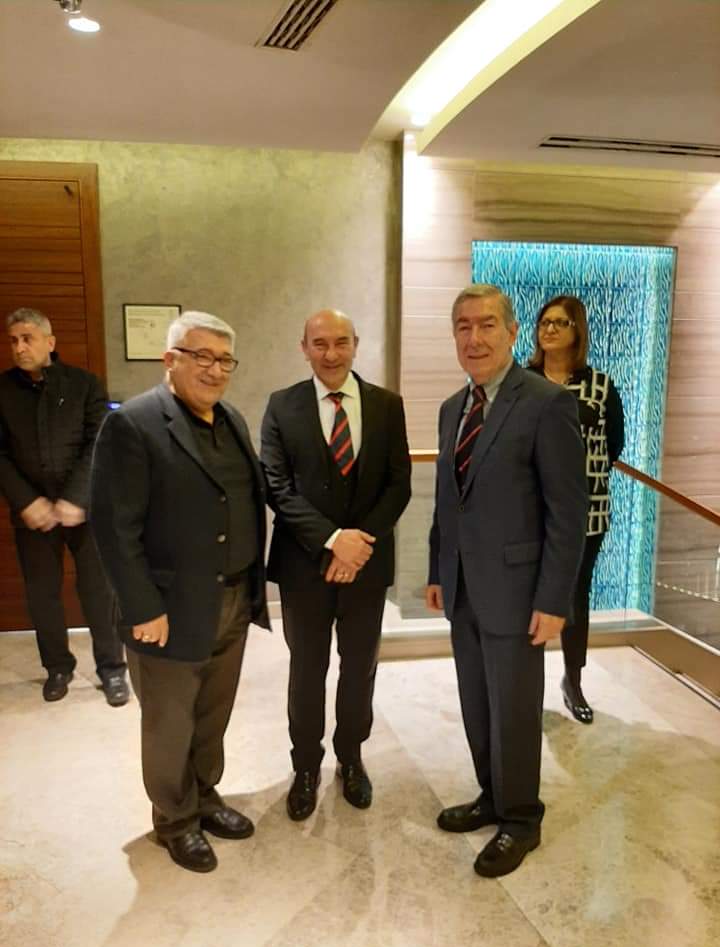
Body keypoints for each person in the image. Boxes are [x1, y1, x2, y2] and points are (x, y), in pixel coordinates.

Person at [90, 311, 269, 873]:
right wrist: (143, 607)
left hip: (232, 598)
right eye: (202, 357)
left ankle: (205, 797)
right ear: (170, 359)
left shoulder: (232, 419)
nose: (215, 370)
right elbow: (114, 528)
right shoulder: (134, 424)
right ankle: (174, 819)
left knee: (212, 714)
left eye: (225, 360)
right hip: (166, 609)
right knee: (170, 724)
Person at [426, 284, 587, 878]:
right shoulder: (453, 408)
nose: (475, 337)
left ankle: (521, 818)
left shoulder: (546, 403)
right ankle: (492, 795)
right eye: (463, 326)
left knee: (515, 709)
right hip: (463, 586)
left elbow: (567, 513)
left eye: (487, 324)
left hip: (519, 593)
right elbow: (448, 501)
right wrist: (437, 569)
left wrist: (554, 599)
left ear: (513, 332)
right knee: (476, 701)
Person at [261, 309, 411, 821]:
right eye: (320, 343)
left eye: (341, 342)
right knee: (307, 669)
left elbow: (398, 483)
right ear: (304, 347)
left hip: (367, 564)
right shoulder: (282, 406)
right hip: (304, 566)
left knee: (359, 667)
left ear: (356, 344)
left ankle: (351, 756)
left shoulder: (387, 405)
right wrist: (331, 542)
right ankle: (305, 766)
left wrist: (357, 545)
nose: (331, 353)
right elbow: (276, 486)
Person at [0, 308, 128, 706]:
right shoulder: (2, 390)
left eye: (28, 338)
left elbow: (99, 441)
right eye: (13, 340)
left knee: (98, 591)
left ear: (50, 342)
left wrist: (76, 497)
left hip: (85, 509)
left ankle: (112, 669)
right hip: (32, 513)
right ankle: (57, 667)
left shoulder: (84, 384)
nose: (19, 347)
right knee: (42, 595)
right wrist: (27, 501)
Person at [528, 294, 625, 723]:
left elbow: (614, 445)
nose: (549, 329)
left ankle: (574, 680)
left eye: (560, 322)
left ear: (577, 330)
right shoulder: (520, 381)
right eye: (544, 322)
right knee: (526, 596)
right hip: (528, 511)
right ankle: (525, 684)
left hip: (587, 512)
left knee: (574, 597)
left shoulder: (600, 386)